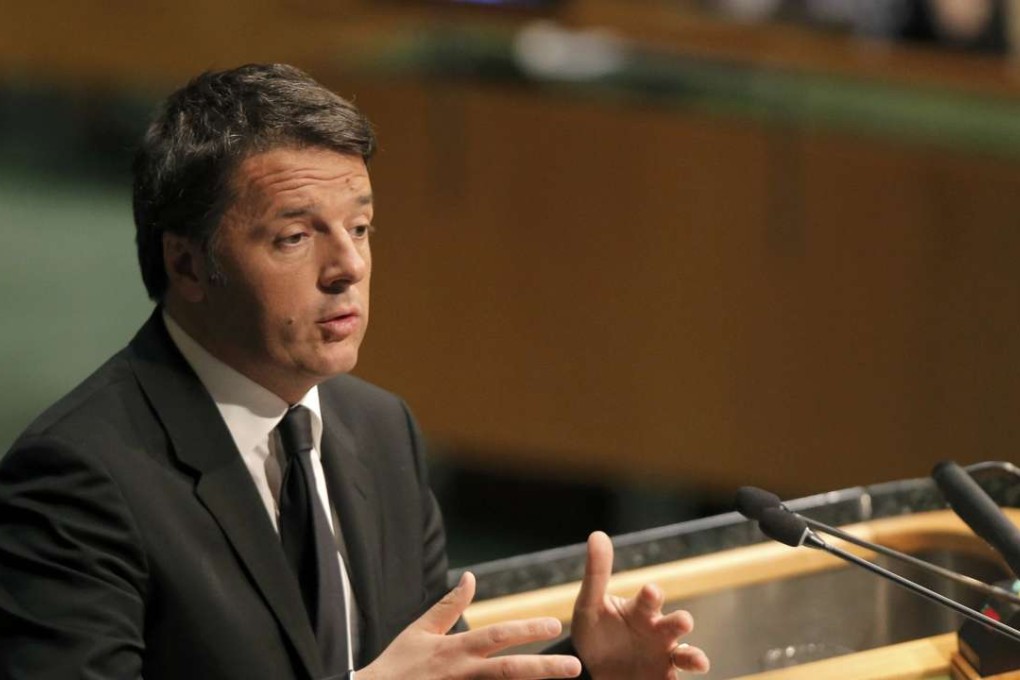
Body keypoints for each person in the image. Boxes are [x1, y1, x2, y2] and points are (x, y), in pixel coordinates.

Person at [0, 64, 709, 680]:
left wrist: (592, 671)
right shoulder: (79, 478)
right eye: (296, 236)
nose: (350, 268)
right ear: (187, 263)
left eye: (361, 227)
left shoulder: (378, 430)